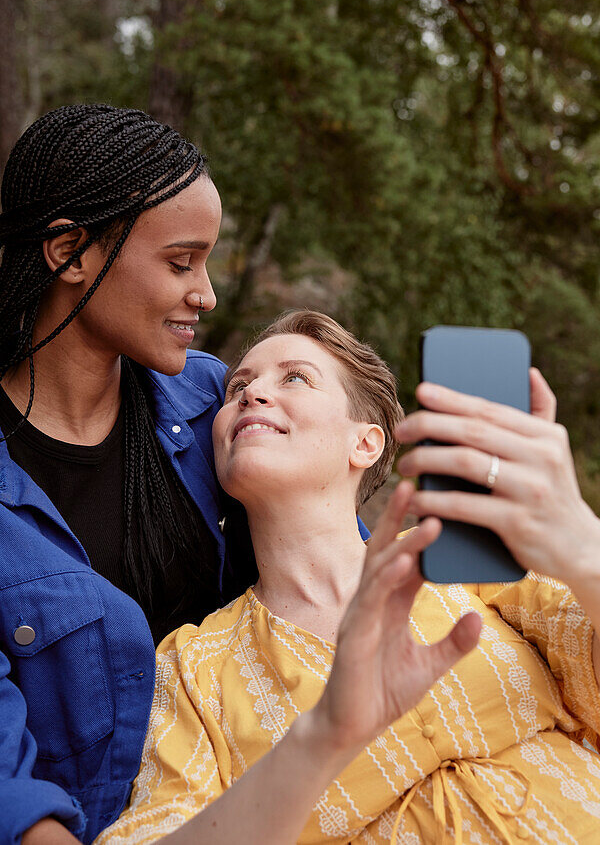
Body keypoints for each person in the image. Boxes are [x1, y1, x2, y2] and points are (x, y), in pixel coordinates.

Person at [97, 309, 600, 845]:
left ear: (365, 443)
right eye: (238, 387)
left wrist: (581, 538)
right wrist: (326, 734)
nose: (252, 395)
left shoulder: (462, 563)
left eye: (295, 378)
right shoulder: (195, 664)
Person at [0, 104, 370, 845]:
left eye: (206, 262)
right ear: (69, 253)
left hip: (277, 795)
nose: (205, 293)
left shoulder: (215, 403)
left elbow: (343, 584)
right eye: (179, 262)